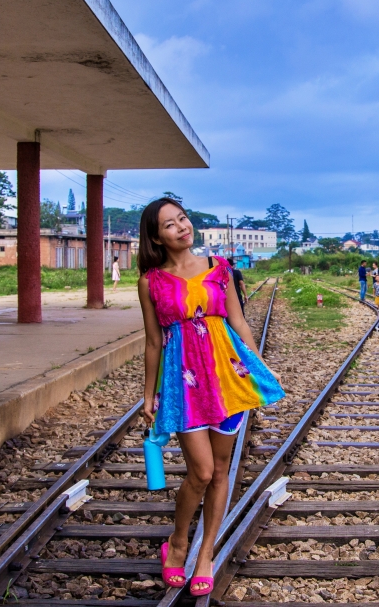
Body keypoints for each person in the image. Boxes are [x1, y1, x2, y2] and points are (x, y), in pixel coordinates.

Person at [137, 198, 284, 597]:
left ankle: (205, 553)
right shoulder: (151, 281)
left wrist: (259, 371)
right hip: (183, 384)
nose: (182, 227)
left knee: (220, 471)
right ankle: (179, 541)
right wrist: (148, 395)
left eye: (182, 219)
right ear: (156, 236)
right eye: (170, 224)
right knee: (200, 472)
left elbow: (237, 322)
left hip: (228, 379)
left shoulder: (220, 269)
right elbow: (153, 342)